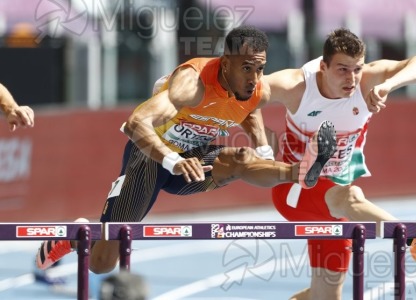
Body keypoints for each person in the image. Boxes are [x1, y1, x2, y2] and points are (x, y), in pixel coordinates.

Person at [34, 25, 336, 274]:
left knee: (242, 159)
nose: (255, 78)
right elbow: (135, 123)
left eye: (260, 69)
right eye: (247, 68)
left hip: (194, 160)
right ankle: (76, 237)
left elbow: (249, 109)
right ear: (225, 63)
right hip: (150, 159)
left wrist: (263, 151)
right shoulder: (192, 85)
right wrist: (172, 160)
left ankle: (302, 173)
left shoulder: (251, 86)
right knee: (102, 264)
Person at [265, 28, 416, 300]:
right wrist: (262, 141)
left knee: (324, 296)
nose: (352, 78)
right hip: (294, 191)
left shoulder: (366, 82)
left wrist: (389, 85)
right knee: (351, 196)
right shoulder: (296, 85)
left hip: (333, 197)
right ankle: (414, 237)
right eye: (342, 70)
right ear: (323, 66)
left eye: (357, 69)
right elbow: (244, 94)